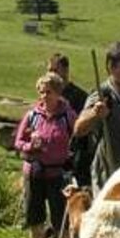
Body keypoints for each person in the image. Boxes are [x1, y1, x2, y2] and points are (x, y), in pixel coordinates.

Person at [14, 72, 78, 238]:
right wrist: (29, 146)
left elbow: (78, 138)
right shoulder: (33, 115)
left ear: (58, 93)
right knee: (34, 215)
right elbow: (18, 142)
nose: (44, 96)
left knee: (61, 217)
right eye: (41, 92)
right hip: (33, 171)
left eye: (48, 92)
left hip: (57, 173)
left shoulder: (68, 116)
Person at [74, 40, 120, 194]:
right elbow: (78, 129)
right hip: (107, 176)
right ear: (111, 67)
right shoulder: (102, 94)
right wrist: (95, 114)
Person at [48, 52, 91, 185]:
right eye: (49, 70)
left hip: (73, 157)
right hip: (51, 156)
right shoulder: (48, 95)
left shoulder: (80, 97)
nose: (50, 74)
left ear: (65, 71)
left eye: (54, 70)